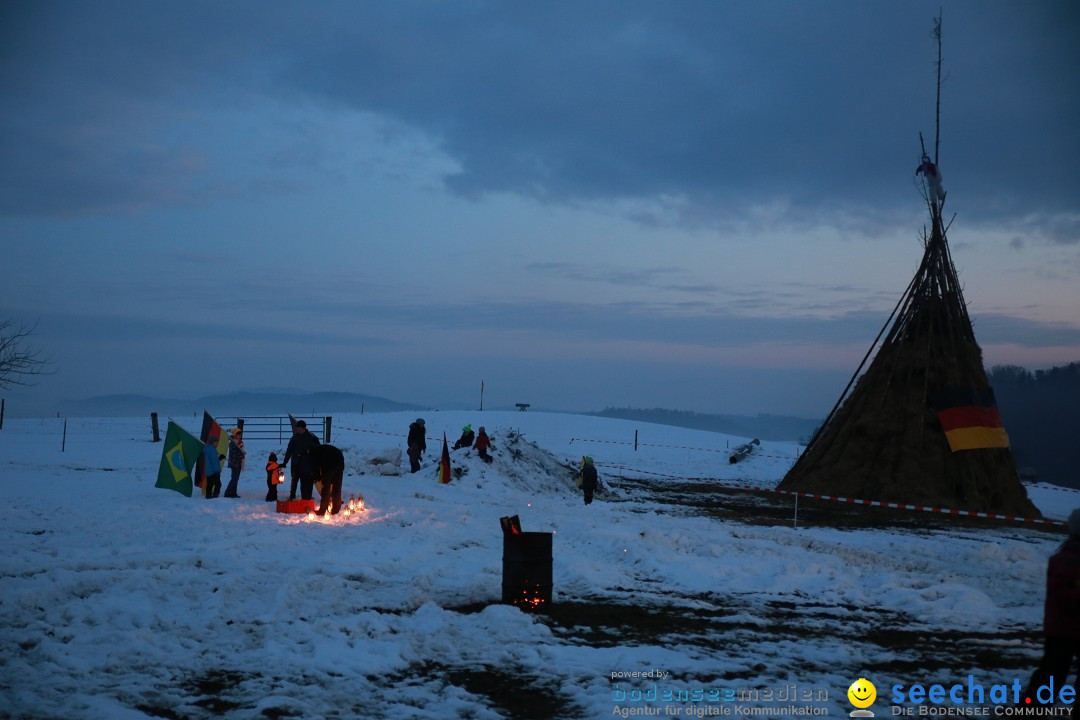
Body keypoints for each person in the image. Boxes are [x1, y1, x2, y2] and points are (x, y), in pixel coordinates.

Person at [1025, 508, 1080, 703]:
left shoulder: (1061, 558)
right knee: (1050, 678)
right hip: (1063, 629)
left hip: (1058, 628)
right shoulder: (1065, 560)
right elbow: (1062, 594)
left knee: (1049, 677)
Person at [282, 420, 321, 500]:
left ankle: (308, 496)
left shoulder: (312, 437)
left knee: (308, 481)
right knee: (294, 480)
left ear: (304, 428)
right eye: (297, 429)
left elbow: (318, 450)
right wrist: (285, 462)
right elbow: (289, 450)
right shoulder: (294, 438)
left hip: (307, 465)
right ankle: (292, 495)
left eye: (299, 429)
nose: (298, 431)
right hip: (295, 463)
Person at [314, 444, 346, 516]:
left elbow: (315, 466)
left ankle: (322, 510)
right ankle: (336, 509)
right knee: (337, 488)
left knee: (326, 488)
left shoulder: (314, 453)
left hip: (329, 466)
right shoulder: (324, 449)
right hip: (339, 464)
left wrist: (318, 476)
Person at [223, 427, 246, 498]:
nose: (239, 436)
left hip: (238, 463)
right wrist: (241, 454)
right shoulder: (233, 443)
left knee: (236, 478)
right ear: (234, 435)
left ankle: (233, 492)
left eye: (240, 434)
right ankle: (227, 492)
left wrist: (242, 453)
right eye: (238, 434)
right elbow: (234, 454)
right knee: (234, 478)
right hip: (234, 463)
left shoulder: (240, 443)